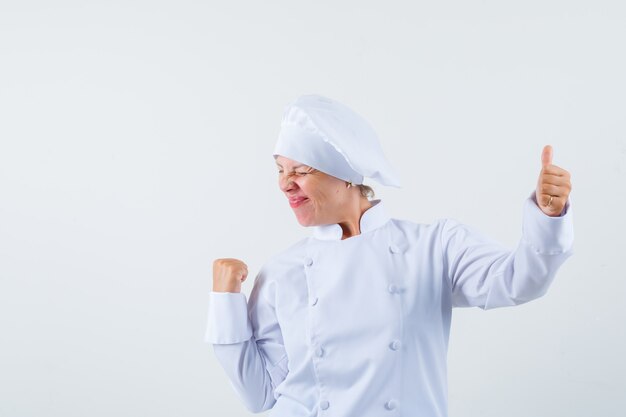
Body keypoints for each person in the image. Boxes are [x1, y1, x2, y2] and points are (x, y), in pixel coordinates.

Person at [205, 94, 574, 417]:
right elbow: (260, 394)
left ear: (345, 175)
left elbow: (519, 282)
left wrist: (548, 216)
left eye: (301, 170)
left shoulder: (433, 248)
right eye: (280, 170)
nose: (285, 183)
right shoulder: (281, 272)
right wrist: (225, 303)